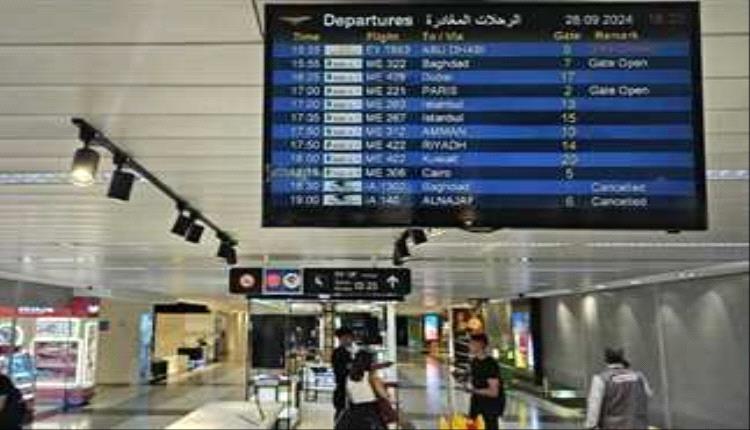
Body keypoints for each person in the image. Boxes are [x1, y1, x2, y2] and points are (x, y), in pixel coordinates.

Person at [585, 348, 653, 430]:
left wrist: (591, 425)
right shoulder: (639, 376)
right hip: (637, 424)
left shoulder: (601, 378)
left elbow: (594, 405)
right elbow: (648, 394)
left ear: (606, 362)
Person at [336, 350, 389, 430]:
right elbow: (383, 394)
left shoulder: (349, 377)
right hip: (371, 411)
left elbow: (349, 396)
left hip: (354, 413)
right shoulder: (371, 375)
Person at [465, 333, 505, 430]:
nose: (469, 346)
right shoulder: (474, 362)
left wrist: (473, 390)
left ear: (480, 344)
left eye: (471, 343)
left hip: (489, 408)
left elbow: (494, 392)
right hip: (476, 405)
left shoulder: (490, 364)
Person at [332, 327, 356, 421]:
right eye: (345, 338)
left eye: (349, 338)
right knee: (342, 414)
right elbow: (339, 371)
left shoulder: (354, 352)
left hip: (354, 388)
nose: (348, 340)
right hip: (343, 388)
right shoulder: (338, 353)